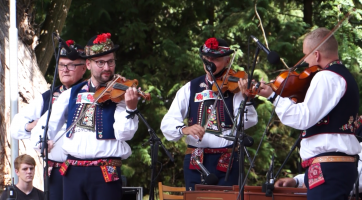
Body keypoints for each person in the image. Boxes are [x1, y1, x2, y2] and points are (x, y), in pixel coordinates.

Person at [253, 27, 361, 199]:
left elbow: (303, 117)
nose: (306, 63)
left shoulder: (326, 77)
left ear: (317, 55)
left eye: (306, 56)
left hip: (328, 167)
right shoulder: (343, 76)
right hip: (336, 167)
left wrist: (273, 97)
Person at [32, 33, 139, 200]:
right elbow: (48, 123)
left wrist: (131, 109)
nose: (106, 68)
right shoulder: (72, 93)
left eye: (110, 62)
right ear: (88, 64)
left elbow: (124, 134)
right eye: (100, 62)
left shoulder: (120, 94)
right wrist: (42, 141)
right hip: (72, 171)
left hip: (106, 171)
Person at [161, 37, 258, 190]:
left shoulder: (236, 87)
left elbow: (247, 122)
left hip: (227, 160)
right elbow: (168, 122)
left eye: (215, 59)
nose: (209, 63)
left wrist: (247, 98)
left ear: (227, 61)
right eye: (206, 58)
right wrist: (185, 129)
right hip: (196, 160)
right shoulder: (190, 87)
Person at [11, 39, 86, 200]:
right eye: (61, 65)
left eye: (71, 65)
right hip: (55, 172)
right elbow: (15, 128)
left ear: (84, 68)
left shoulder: (90, 95)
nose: (65, 70)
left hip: (83, 171)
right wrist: (34, 125)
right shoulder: (48, 97)